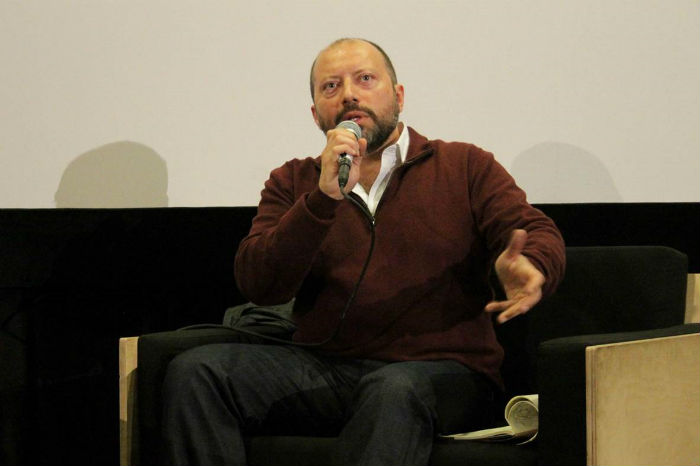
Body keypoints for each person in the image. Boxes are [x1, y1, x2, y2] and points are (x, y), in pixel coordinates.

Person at [162, 38, 566, 466]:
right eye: (331, 86)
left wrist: (531, 263)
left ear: (399, 96)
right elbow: (259, 283)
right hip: (328, 367)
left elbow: (533, 228)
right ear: (316, 114)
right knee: (198, 372)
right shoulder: (294, 181)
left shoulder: (463, 166)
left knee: (392, 389)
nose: (350, 94)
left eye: (365, 79)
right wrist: (320, 202)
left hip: (446, 372)